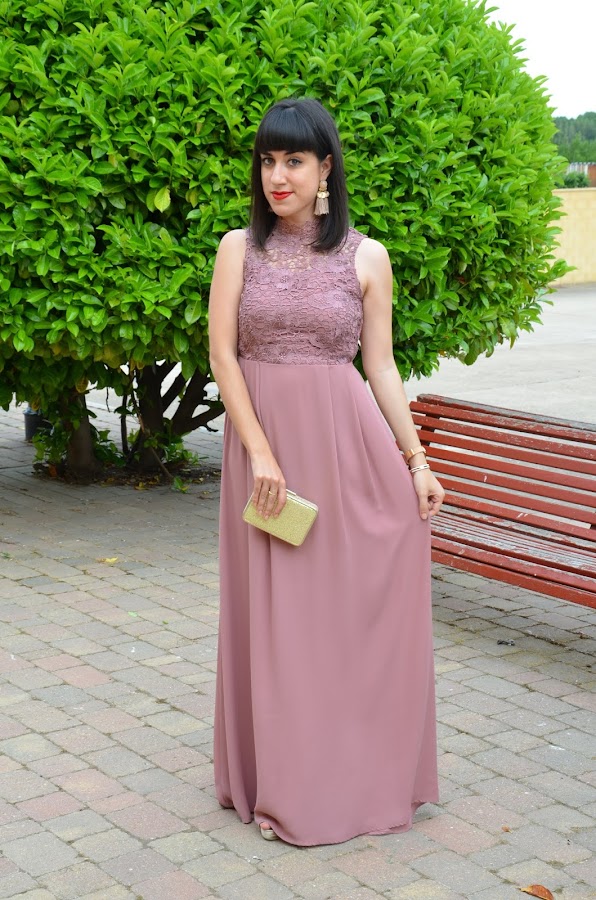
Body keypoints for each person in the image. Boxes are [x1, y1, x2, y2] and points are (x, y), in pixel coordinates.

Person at [208, 97, 444, 847]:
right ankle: (284, 782)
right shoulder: (237, 249)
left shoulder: (367, 257)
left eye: (295, 161)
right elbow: (222, 357)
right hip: (266, 459)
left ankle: (363, 770)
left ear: (326, 170)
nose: (278, 176)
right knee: (281, 622)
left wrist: (416, 460)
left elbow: (381, 366)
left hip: (347, 451)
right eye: (268, 161)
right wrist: (260, 452)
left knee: (341, 614)